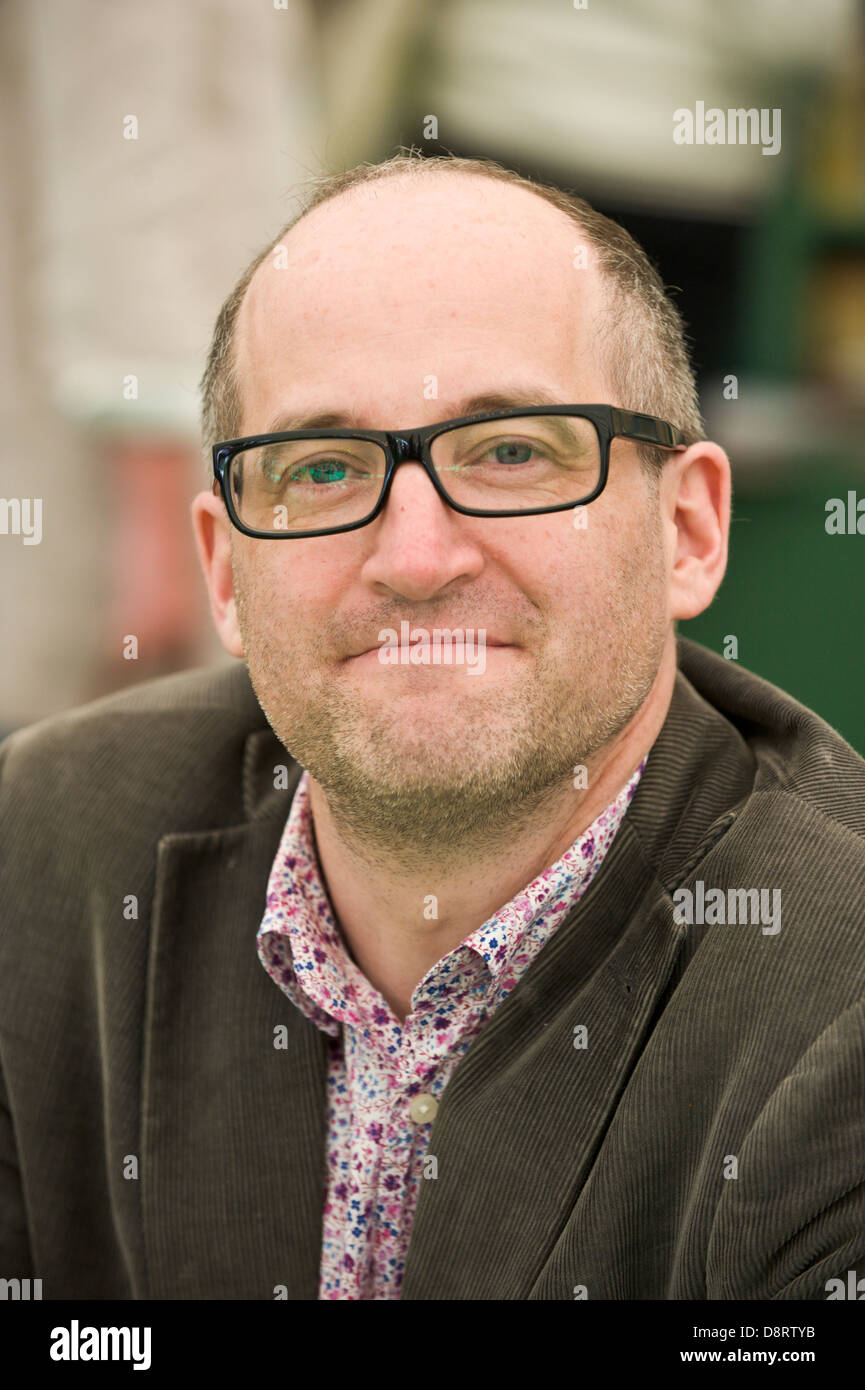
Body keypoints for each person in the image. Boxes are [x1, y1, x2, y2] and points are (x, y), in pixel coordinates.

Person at [1, 152, 863, 1303]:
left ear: (689, 530)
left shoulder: (836, 1009)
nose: (414, 558)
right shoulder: (42, 848)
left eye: (512, 451)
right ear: (225, 568)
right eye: (320, 466)